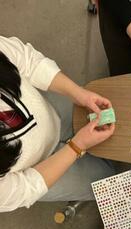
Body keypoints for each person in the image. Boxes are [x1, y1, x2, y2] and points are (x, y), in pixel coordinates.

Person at [0, 36, 117, 212]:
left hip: (52, 111)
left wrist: (79, 94)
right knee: (109, 182)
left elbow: (28, 61)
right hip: (42, 168)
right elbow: (25, 188)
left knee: (111, 141)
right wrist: (77, 146)